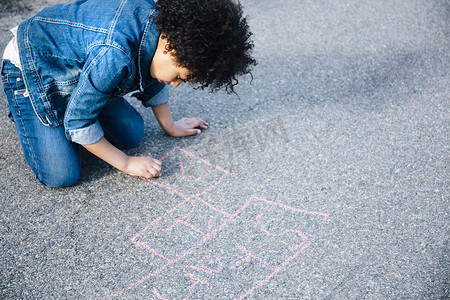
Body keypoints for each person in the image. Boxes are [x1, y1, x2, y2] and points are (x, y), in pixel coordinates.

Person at [0, 0, 256, 188]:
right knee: (61, 174)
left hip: (83, 69)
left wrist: (170, 125)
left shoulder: (164, 36)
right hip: (35, 69)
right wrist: (125, 163)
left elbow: (154, 76)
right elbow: (79, 122)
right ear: (171, 46)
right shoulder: (115, 52)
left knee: (133, 133)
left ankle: (84, 100)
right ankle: (27, 111)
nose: (176, 84)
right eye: (180, 76)